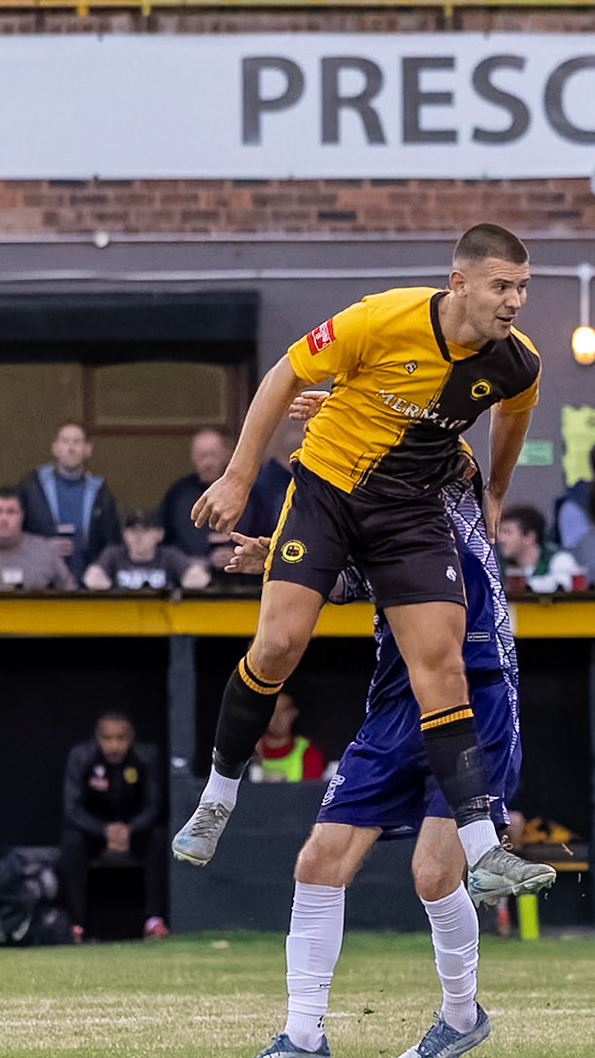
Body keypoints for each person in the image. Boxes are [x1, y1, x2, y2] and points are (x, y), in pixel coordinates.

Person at [169, 223, 555, 907]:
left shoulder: (517, 362)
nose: (515, 301)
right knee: (279, 644)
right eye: (502, 286)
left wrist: (496, 490)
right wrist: (238, 476)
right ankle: (218, 796)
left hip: (410, 514)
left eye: (523, 287)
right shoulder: (381, 318)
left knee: (443, 670)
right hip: (327, 493)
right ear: (458, 283)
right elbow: (284, 374)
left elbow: (514, 414)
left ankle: (483, 850)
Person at [209, 477, 526, 1058]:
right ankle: (302, 1038)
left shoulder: (452, 488)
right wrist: (279, 559)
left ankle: (462, 1017)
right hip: (395, 705)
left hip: (473, 694)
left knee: (434, 875)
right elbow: (346, 580)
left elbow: (437, 447)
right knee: (318, 861)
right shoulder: (370, 504)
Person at [61, 711, 167, 941]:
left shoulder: (146, 757)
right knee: (72, 841)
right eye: (107, 738)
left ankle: (154, 920)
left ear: (131, 738)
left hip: (134, 832)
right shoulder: (81, 757)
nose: (114, 746)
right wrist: (103, 830)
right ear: (97, 738)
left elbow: (154, 806)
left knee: (158, 838)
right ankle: (75, 926)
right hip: (95, 833)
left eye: (121, 738)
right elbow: (73, 808)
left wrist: (131, 829)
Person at [18, 423, 122, 583]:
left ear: (87, 450)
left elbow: (112, 543)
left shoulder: (100, 491)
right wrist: (42, 548)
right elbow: (12, 535)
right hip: (40, 581)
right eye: (65, 441)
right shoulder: (32, 486)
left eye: (77, 442)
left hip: (88, 582)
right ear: (55, 448)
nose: (71, 448)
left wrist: (99, 570)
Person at [160, 428, 235, 570]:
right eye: (202, 456)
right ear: (193, 458)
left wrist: (237, 554)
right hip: (190, 573)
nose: (208, 463)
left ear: (225, 455)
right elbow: (164, 542)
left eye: (213, 455)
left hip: (242, 574)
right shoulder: (179, 493)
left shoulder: (244, 491)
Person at [84, 511, 210, 592]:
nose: (138, 537)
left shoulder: (170, 556)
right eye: (132, 531)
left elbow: (199, 579)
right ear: (124, 535)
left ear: (159, 534)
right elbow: (92, 578)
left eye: (145, 531)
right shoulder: (113, 555)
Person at [496, 504, 580, 594]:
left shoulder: (559, 560)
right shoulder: (499, 566)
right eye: (500, 532)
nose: (500, 538)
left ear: (529, 537)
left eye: (507, 532)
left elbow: (564, 586)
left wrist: (528, 585)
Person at [254, 690, 326, 782]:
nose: (277, 717)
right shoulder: (249, 750)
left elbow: (312, 790)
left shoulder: (309, 754)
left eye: (284, 711)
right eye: (272, 711)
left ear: (294, 713)